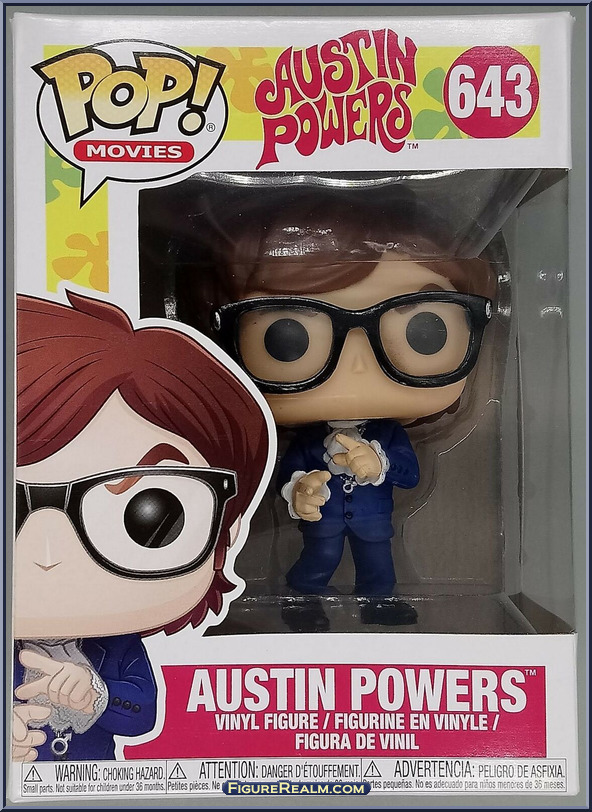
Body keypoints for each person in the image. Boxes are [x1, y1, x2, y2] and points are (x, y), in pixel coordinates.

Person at [212, 192, 496, 630]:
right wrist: (300, 490)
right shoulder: (310, 441)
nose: (358, 366)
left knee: (377, 562)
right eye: (288, 336)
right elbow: (289, 472)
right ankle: (303, 600)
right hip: (322, 522)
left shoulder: (388, 436)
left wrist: (378, 465)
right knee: (319, 558)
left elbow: (409, 474)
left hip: (373, 522)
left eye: (425, 330)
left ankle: (378, 603)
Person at [13, 291, 270, 761]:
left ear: (226, 530)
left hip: (98, 782)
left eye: (148, 515)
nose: (47, 557)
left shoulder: (117, 647)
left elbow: (144, 713)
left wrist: (95, 694)